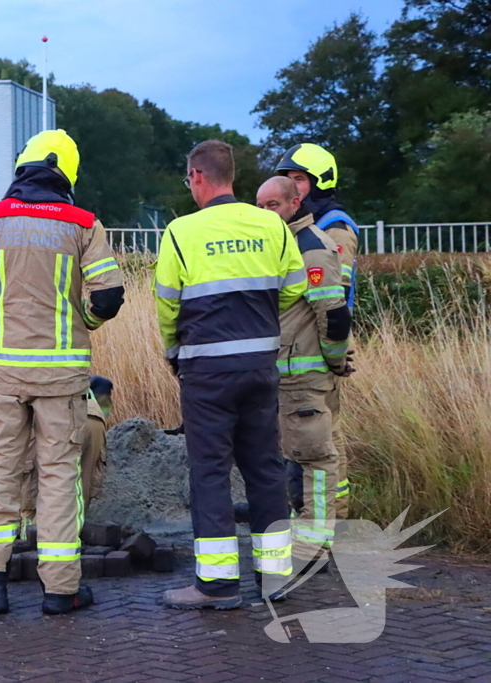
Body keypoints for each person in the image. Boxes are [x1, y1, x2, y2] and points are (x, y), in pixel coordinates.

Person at [0, 129, 125, 615]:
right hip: (61, 378)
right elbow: (108, 296)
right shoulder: (83, 224)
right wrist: (83, 321)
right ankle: (61, 591)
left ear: (22, 167)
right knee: (59, 479)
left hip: (2, 375)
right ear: (66, 174)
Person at [154, 140, 305, 610]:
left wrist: (174, 351)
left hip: (206, 370)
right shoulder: (271, 225)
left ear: (198, 176)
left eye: (189, 180)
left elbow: (167, 303)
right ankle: (275, 578)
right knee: (265, 468)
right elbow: (294, 286)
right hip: (260, 365)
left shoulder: (180, 232)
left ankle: (217, 586)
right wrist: (258, 325)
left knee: (211, 472)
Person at [257, 176, 352, 574]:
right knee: (295, 458)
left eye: (273, 205)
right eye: (260, 206)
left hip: (304, 376)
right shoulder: (281, 243)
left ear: (295, 203)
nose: (266, 213)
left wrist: (336, 361)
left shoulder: (311, 246)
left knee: (316, 461)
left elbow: (333, 314)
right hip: (284, 373)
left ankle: (312, 548)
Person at [276, 143, 357, 519]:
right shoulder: (303, 226)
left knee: (325, 442)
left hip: (321, 347)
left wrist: (335, 352)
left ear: (321, 182)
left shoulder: (333, 229)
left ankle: (332, 521)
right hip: (303, 347)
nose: (292, 186)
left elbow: (333, 299)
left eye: (299, 179)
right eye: (287, 179)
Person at [20, 376, 113, 526]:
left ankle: (34, 537)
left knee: (33, 499)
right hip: (93, 416)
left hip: (53, 415)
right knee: (79, 497)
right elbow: (103, 383)